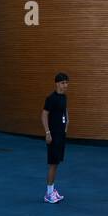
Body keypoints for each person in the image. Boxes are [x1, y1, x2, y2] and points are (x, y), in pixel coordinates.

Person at [41, 72, 70, 203]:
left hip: (61, 135)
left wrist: (67, 123)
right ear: (57, 83)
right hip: (53, 136)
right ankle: (48, 194)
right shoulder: (51, 98)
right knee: (53, 164)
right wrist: (48, 133)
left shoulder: (64, 97)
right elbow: (44, 115)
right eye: (63, 83)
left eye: (66, 83)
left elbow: (65, 111)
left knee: (56, 163)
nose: (65, 85)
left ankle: (52, 190)